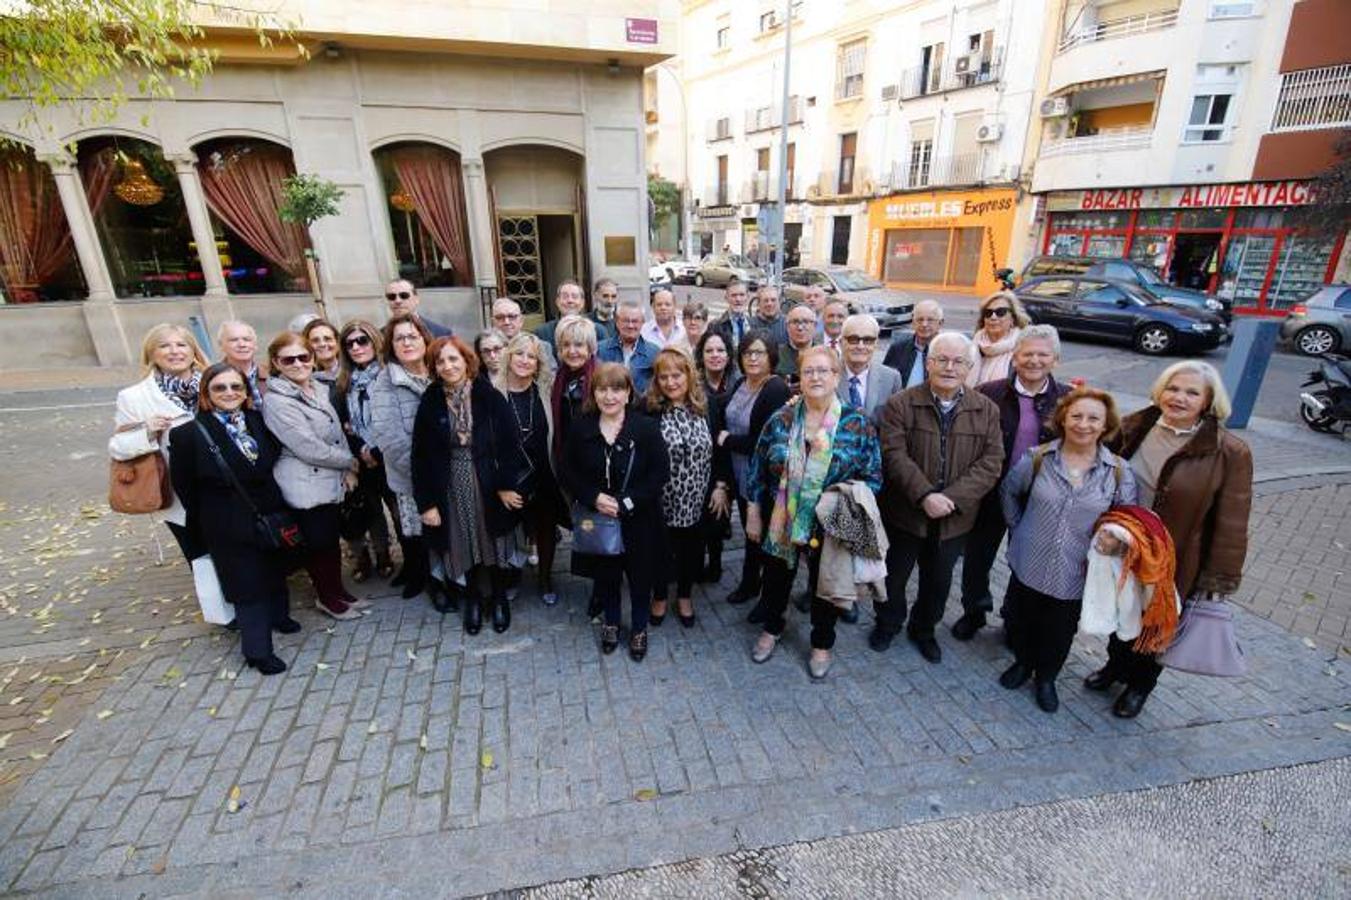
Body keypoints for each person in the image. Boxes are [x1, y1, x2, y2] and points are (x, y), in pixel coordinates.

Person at [1090, 361, 1253, 718]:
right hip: (1124, 547)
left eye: (1191, 392)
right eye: (1173, 388)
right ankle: (1114, 667)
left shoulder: (1229, 452)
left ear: (1208, 401)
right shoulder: (1135, 426)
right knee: (1121, 615)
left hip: (1176, 558)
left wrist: (1217, 579)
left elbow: (1232, 522)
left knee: (1157, 625)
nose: (1179, 398)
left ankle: (1139, 686)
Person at [745, 345, 882, 679]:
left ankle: (822, 642)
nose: (816, 377)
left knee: (826, 586)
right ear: (799, 378)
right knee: (776, 579)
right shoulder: (782, 418)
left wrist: (844, 501)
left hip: (832, 524)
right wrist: (752, 509)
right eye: (809, 371)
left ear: (836, 377)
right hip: (783, 518)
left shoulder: (857, 423)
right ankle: (773, 628)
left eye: (824, 370)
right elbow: (757, 466)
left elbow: (873, 476)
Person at [998, 387, 1136, 712]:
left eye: (1093, 418)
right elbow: (1009, 494)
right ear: (1063, 419)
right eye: (1076, 416)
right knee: (1022, 619)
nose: (1083, 424)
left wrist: (1114, 541)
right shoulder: (1036, 458)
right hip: (1029, 561)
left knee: (1059, 630)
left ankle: (1046, 677)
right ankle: (1022, 663)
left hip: (1077, 568)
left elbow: (1127, 518)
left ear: (1105, 425)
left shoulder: (1117, 471)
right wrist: (1020, 530)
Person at [871, 332, 1004, 663]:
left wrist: (952, 499)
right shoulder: (901, 403)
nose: (949, 367)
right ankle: (887, 624)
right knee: (893, 577)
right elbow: (894, 454)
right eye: (941, 359)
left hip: (954, 520)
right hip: (905, 514)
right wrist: (925, 495)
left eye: (958, 361)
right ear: (928, 363)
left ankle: (924, 630)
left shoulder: (985, 409)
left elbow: (991, 462)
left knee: (938, 582)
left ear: (969, 367)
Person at [169, 363, 297, 675]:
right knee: (246, 584)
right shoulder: (187, 434)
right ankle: (257, 650)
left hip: (267, 511)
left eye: (236, 387)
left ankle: (280, 616)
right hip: (225, 522)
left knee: (274, 569)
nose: (229, 393)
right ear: (206, 394)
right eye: (220, 388)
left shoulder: (256, 420)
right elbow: (185, 487)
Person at [954, 325, 1072, 642]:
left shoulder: (1068, 399)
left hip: (1040, 499)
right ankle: (974, 611)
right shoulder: (989, 393)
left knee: (1025, 562)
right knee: (977, 558)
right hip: (990, 492)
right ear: (1015, 358)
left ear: (1055, 359)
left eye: (1042, 354)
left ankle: (1013, 617)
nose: (1034, 360)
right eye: (1027, 354)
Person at [412, 336, 526, 635]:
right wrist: (427, 504)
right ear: (434, 367)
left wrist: (504, 484)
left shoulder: (488, 396)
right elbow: (419, 457)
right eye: (441, 361)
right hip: (449, 484)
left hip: (488, 483)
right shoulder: (431, 400)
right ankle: (473, 599)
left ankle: (499, 599)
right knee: (463, 542)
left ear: (466, 361)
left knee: (493, 540)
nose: (448, 366)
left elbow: (511, 445)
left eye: (454, 359)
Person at [562, 363, 669, 660]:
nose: (609, 396)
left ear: (628, 393)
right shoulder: (581, 426)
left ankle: (638, 628)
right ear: (593, 393)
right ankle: (610, 622)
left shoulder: (644, 427)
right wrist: (592, 497)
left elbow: (660, 472)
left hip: (640, 519)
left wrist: (628, 502)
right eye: (602, 389)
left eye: (617, 389)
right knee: (607, 574)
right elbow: (567, 470)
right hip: (599, 520)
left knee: (640, 576)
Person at [261, 331, 363, 621]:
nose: (297, 363)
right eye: (288, 359)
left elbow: (337, 432)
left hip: (328, 476)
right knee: (318, 544)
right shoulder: (277, 401)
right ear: (276, 363)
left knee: (329, 541)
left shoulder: (317, 387)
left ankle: (338, 592)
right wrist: (350, 461)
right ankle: (328, 599)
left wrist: (345, 467)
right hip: (305, 482)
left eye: (303, 357)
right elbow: (308, 446)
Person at [109, 323, 211, 564]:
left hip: (226, 487)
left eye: (181, 344)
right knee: (201, 559)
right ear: (151, 353)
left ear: (193, 351)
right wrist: (147, 432)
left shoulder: (217, 383)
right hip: (179, 494)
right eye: (164, 346)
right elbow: (117, 447)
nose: (174, 351)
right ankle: (215, 602)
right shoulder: (133, 397)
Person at [646, 348, 727, 629]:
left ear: (689, 374)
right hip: (660, 499)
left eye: (677, 375)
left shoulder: (708, 406)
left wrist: (719, 485)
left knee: (692, 550)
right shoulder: (648, 409)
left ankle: (683, 595)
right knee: (659, 550)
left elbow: (719, 450)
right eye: (664, 376)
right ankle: (658, 596)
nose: (670, 382)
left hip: (698, 496)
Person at [714, 332, 792, 607]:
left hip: (761, 477)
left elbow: (763, 441)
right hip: (738, 472)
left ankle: (762, 595)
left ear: (771, 355)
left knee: (761, 534)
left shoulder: (775, 389)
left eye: (759, 352)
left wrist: (727, 440)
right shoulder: (741, 383)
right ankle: (750, 583)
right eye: (747, 353)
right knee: (751, 534)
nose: (753, 358)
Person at [494, 332, 568, 606]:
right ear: (508, 356)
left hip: (542, 474)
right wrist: (500, 486)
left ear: (538, 364)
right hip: (509, 480)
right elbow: (485, 447)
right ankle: (513, 576)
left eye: (532, 357)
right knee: (511, 531)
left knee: (545, 528)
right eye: (519, 354)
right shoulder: (493, 393)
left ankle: (546, 577)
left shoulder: (545, 391)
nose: (525, 361)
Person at [367, 315, 436, 602]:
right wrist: (426, 479)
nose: (407, 342)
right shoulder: (385, 383)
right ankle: (428, 582)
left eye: (412, 336)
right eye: (399, 338)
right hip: (410, 476)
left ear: (424, 338)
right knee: (419, 533)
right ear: (390, 346)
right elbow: (390, 440)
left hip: (448, 472)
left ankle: (446, 579)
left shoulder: (440, 369)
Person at [333, 320, 395, 583]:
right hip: (362, 461)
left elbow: (396, 419)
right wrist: (361, 448)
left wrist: (377, 451)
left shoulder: (390, 375)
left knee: (401, 515)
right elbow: (345, 423)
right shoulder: (344, 383)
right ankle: (380, 556)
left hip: (390, 457)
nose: (356, 347)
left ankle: (416, 565)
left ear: (375, 342)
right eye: (350, 343)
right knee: (370, 512)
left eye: (362, 340)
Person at [695, 330, 736, 581]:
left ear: (729, 355)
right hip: (701, 462)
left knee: (719, 515)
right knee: (701, 518)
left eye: (720, 350)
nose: (715, 355)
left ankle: (717, 564)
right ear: (701, 355)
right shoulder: (693, 385)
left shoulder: (738, 384)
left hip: (727, 461)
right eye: (709, 350)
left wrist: (722, 483)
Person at [837, 314, 903, 422]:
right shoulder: (827, 375)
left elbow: (896, 423)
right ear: (841, 343)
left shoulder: (891, 378)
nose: (860, 346)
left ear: (876, 344)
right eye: (853, 339)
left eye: (868, 340)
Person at [967, 291, 1028, 388]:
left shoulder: (1024, 348)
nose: (993, 317)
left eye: (1001, 312)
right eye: (988, 313)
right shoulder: (971, 346)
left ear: (1013, 318)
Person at [598, 300, 659, 394]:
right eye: (626, 321)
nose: (630, 325)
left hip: (641, 407)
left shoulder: (654, 353)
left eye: (635, 321)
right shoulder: (600, 350)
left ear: (642, 322)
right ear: (617, 322)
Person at [882, 299, 944, 387]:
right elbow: (885, 381)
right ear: (913, 322)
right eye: (920, 320)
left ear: (940, 323)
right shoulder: (898, 349)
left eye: (930, 320)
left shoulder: (947, 352)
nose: (924, 324)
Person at [217, 320, 266, 406]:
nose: (242, 344)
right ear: (221, 346)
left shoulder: (272, 374)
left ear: (255, 345)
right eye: (234, 340)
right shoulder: (213, 379)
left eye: (247, 339)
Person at [534, 280, 588, 354]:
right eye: (565, 297)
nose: (570, 300)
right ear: (557, 302)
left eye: (574, 297)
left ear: (582, 303)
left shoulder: (597, 330)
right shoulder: (542, 332)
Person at [386, 278, 451, 337]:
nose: (398, 301)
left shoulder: (440, 333)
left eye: (404, 296)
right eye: (391, 297)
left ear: (416, 299)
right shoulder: (381, 335)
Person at [776, 305, 818, 386]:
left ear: (815, 326)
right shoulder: (775, 355)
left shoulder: (824, 355)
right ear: (787, 327)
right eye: (795, 322)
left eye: (806, 322)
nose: (800, 328)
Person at [710, 280, 753, 355]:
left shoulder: (754, 324)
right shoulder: (716, 326)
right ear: (726, 298)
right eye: (734, 295)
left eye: (742, 295)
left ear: (747, 297)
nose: (738, 299)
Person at [304, 319, 342, 388]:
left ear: (337, 342)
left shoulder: (352, 371)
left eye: (327, 339)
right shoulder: (305, 378)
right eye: (315, 340)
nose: (322, 344)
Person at [590, 277, 620, 341]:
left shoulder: (623, 323)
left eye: (613, 296)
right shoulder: (586, 322)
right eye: (605, 296)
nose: (610, 301)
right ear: (595, 296)